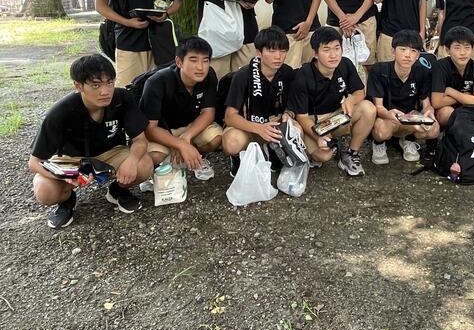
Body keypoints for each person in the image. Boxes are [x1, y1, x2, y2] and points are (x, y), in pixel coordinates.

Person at [28, 55, 153, 229]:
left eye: (109, 83)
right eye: (96, 85)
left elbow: (140, 140)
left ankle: (118, 190)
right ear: (78, 86)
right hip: (72, 159)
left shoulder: (122, 98)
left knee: (144, 164)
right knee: (45, 190)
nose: (105, 91)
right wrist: (66, 176)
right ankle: (66, 200)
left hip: (112, 152)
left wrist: (132, 160)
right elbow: (34, 162)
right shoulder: (61, 112)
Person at [287, 27, 377, 175]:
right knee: (324, 156)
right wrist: (318, 135)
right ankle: (314, 149)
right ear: (315, 53)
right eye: (326, 49)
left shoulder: (345, 64)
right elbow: (301, 117)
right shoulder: (303, 75)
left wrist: (351, 100)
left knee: (368, 108)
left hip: (336, 117)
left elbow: (360, 92)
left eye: (337, 48)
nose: (333, 55)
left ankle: (351, 154)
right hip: (312, 121)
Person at [140, 37, 222, 181]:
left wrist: (186, 137)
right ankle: (159, 170)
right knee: (155, 155)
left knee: (216, 138)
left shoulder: (209, 75)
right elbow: (150, 128)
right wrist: (179, 144)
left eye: (205, 60)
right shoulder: (156, 82)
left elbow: (208, 113)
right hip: (162, 130)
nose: (200, 67)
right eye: (193, 60)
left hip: (190, 126)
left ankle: (196, 157)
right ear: (179, 62)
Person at [222, 26, 296, 176]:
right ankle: (238, 157)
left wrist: (289, 114)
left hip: (274, 121)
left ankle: (273, 149)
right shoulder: (243, 75)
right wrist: (258, 128)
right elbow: (230, 117)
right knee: (232, 143)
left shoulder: (288, 73)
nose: (278, 56)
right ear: (259, 52)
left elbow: (292, 106)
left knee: (297, 130)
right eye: (272, 51)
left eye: (282, 51)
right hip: (247, 122)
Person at [367, 30, 439, 164]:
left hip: (409, 118)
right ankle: (378, 143)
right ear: (393, 51)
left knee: (434, 129)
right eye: (403, 49)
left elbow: (426, 103)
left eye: (413, 51)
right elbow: (379, 107)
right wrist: (388, 114)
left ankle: (408, 140)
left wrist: (429, 111)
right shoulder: (379, 70)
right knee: (382, 131)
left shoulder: (422, 72)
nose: (407, 55)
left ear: (418, 55)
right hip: (387, 118)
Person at [430, 26, 474, 128]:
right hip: (448, 107)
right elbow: (436, 102)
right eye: (457, 48)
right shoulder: (440, 67)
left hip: (471, 108)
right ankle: (452, 135)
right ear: (447, 50)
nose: (463, 52)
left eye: (467, 47)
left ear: (472, 49)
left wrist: (451, 92)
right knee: (446, 113)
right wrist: (467, 96)